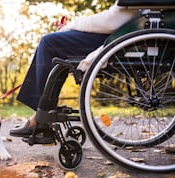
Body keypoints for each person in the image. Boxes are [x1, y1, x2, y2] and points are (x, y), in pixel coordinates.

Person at [10, 0, 138, 137]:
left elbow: (110, 20)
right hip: (124, 35)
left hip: (114, 39)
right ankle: (43, 114)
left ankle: (41, 117)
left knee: (48, 42)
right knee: (53, 43)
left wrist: (71, 26)